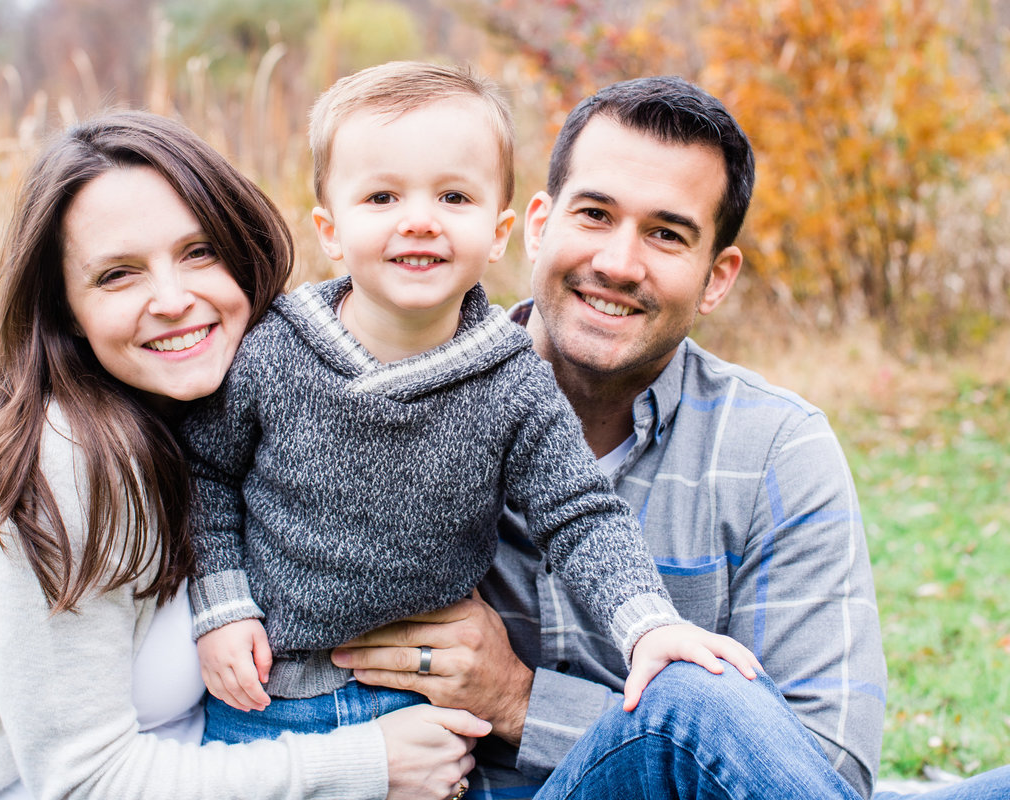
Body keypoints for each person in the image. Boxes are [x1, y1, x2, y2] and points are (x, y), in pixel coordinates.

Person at [0, 110, 491, 800]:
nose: (172, 300)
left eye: (199, 253)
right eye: (117, 275)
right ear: (68, 311)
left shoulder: (259, 410)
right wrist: (367, 764)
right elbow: (83, 780)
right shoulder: (70, 457)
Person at [326, 75, 935, 799]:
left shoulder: (777, 447)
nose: (618, 264)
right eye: (595, 214)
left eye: (666, 235)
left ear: (717, 279)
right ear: (538, 224)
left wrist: (521, 700)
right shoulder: (394, 400)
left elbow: (823, 767)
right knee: (695, 694)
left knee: (694, 701)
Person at [179, 61, 759, 768]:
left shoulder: (512, 379)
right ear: (331, 229)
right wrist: (222, 605)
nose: (419, 220)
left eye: (454, 197)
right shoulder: (274, 350)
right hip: (265, 695)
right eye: (382, 196)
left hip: (419, 712)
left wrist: (645, 627)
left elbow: (580, 516)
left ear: (501, 231)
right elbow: (205, 473)